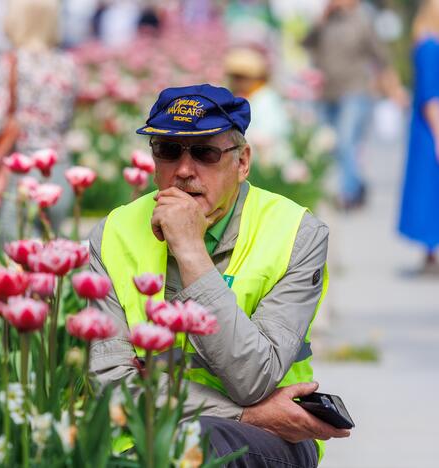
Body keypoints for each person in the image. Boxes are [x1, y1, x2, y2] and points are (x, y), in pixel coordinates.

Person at [88, 84, 351, 466]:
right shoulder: (114, 233)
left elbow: (254, 379)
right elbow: (110, 384)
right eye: (167, 150)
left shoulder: (297, 234)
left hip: (268, 439)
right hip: (142, 435)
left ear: (242, 162)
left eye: (205, 153)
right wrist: (245, 413)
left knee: (194, 445)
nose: (183, 170)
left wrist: (191, 252)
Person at [0, 0, 78, 240]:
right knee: (50, 261)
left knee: (18, 262)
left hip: (20, 176)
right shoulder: (68, 65)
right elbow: (66, 121)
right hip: (59, 173)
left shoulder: (6, 64)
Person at [303, 0, 406, 210]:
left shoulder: (363, 20)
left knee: (346, 140)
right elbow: (305, 44)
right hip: (327, 93)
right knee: (330, 145)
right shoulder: (327, 19)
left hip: (355, 91)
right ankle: (357, 184)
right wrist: (320, 20)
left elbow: (381, 57)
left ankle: (348, 194)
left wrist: (394, 87)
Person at [399, 0, 439, 274]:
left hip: (426, 128)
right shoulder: (429, 47)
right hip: (431, 127)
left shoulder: (424, 43)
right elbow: (431, 97)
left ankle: (430, 252)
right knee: (430, 191)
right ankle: (430, 251)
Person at [225, 45, 292, 165]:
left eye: (240, 77)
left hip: (268, 161)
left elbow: (267, 134)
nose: (236, 82)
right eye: (234, 77)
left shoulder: (265, 99)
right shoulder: (243, 96)